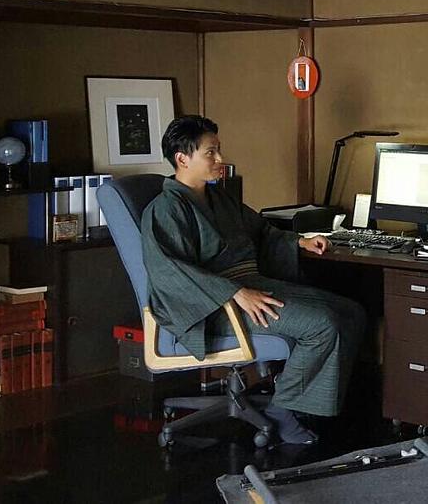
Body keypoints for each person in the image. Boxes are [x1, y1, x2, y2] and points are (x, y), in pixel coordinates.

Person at [140, 115, 366, 445]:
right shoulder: (165, 210)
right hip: (213, 307)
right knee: (323, 325)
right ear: (182, 158)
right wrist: (234, 293)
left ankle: (301, 403)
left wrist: (299, 243)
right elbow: (171, 272)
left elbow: (260, 231)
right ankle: (283, 409)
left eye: (219, 150)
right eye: (210, 152)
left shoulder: (219, 198)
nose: (220, 159)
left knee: (352, 313)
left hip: (248, 287)